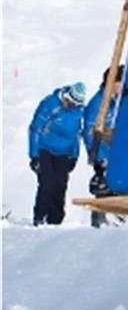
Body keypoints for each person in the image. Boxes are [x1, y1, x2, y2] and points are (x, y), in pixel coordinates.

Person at [28, 81, 88, 225]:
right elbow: (35, 129)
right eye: (70, 102)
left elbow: (76, 135)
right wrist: (34, 155)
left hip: (64, 153)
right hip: (45, 149)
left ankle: (55, 220)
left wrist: (74, 156)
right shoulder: (50, 104)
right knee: (47, 184)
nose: (72, 105)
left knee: (60, 186)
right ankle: (39, 217)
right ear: (66, 97)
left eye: (76, 104)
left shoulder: (78, 112)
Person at [83, 66, 123, 227]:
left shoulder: (119, 100)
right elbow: (90, 133)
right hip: (104, 151)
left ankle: (117, 217)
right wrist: (100, 157)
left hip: (118, 151)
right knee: (104, 185)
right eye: (120, 82)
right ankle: (99, 220)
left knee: (117, 185)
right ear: (112, 82)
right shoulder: (98, 103)